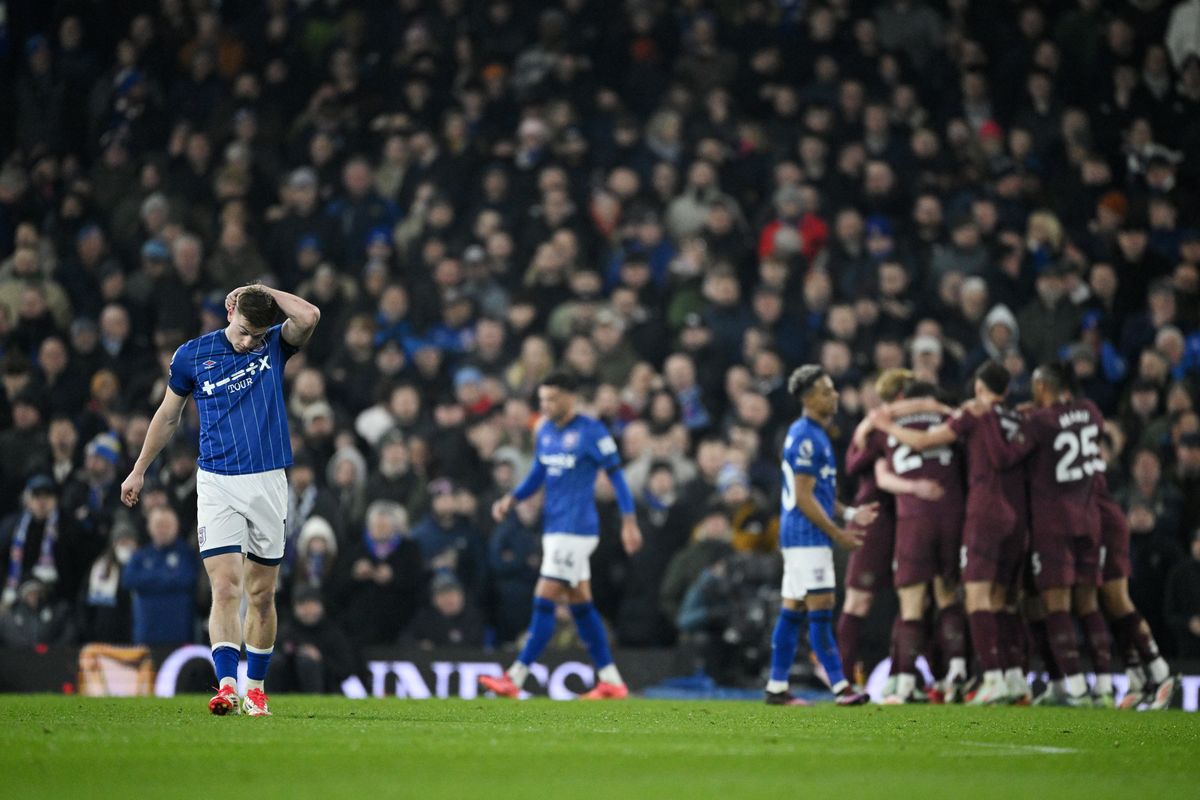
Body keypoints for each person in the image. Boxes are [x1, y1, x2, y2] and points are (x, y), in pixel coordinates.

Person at [120, 283, 320, 716]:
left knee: (262, 594)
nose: (249, 341)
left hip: (268, 481)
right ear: (229, 311)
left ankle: (256, 689)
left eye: (257, 333)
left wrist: (263, 289)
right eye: (245, 330)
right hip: (216, 482)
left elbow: (308, 316)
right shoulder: (191, 355)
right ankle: (227, 686)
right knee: (226, 586)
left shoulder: (274, 345)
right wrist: (139, 468)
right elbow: (168, 415)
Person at [874, 361, 1032, 705]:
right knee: (1001, 600)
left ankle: (911, 681)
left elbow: (905, 446)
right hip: (1011, 515)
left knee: (942, 600)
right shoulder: (1018, 418)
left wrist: (887, 423)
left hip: (962, 513)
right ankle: (1004, 674)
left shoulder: (970, 414)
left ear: (978, 386)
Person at [480, 371, 642, 700]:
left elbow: (618, 478)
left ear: (571, 398)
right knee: (581, 605)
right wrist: (512, 499)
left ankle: (515, 676)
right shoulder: (545, 431)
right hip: (554, 527)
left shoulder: (592, 431)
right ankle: (611, 680)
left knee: (544, 599)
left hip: (576, 528)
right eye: (542, 400)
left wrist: (629, 521)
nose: (546, 405)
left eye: (552, 399)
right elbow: (538, 472)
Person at [976, 362, 1105, 707]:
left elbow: (1004, 458)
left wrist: (988, 416)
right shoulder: (1091, 411)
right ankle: (1102, 686)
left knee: (1055, 605)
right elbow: (1068, 422)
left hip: (1052, 521)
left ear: (1043, 386)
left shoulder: (1037, 422)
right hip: (1089, 516)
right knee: (1088, 603)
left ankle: (1074, 686)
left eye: (1035, 386)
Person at [764, 365, 874, 706]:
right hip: (807, 536)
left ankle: (777, 688)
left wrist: (852, 514)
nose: (835, 395)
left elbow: (820, 494)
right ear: (809, 398)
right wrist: (838, 533)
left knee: (793, 609)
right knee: (821, 610)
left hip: (801, 536)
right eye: (827, 391)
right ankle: (841, 687)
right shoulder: (807, 437)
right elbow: (803, 496)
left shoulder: (814, 433)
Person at [123, 506, 198, 644]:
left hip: (179, 634)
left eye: (167, 525)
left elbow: (186, 579)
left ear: (176, 526)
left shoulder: (186, 554)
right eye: (158, 525)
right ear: (149, 527)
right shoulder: (140, 555)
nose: (163, 529)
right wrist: (168, 577)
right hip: (146, 633)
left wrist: (148, 581)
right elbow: (129, 580)